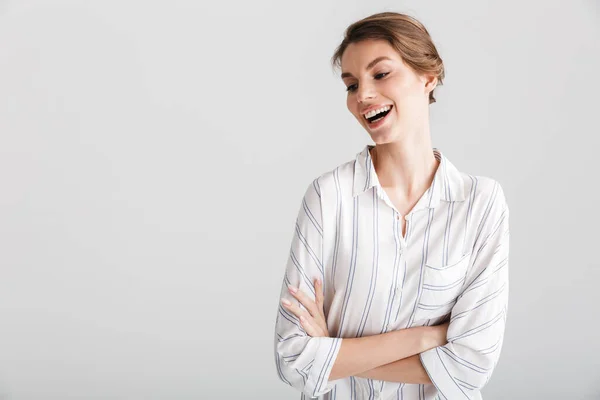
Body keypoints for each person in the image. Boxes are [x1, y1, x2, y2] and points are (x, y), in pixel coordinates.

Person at [273, 11, 509, 400]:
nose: (362, 95)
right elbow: (294, 359)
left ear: (427, 76)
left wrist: (332, 352)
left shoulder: (480, 205)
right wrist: (429, 337)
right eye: (351, 84)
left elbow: (472, 367)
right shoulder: (328, 197)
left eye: (380, 74)